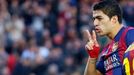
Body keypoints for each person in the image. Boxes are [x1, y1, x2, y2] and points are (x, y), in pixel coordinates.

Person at [84, 0, 134, 75]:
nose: (95, 23)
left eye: (99, 18)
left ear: (114, 19)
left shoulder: (130, 34)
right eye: (94, 19)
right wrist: (92, 57)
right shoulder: (106, 52)